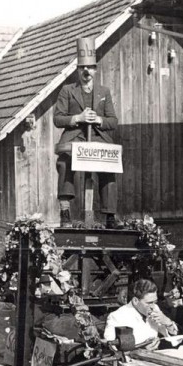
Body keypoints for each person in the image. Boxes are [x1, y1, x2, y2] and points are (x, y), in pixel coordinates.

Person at [54, 37, 118, 227]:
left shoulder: (104, 92)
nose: (86, 71)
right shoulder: (67, 90)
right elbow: (58, 118)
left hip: (98, 138)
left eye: (90, 67)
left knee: (110, 166)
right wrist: (78, 118)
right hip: (74, 137)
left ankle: (110, 216)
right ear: (78, 70)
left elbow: (113, 121)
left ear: (95, 70)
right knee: (64, 162)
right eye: (83, 67)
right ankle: (65, 212)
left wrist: (98, 119)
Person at [103, 279, 178, 351]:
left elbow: (173, 334)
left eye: (155, 302)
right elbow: (112, 347)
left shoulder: (155, 308)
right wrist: (140, 349)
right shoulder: (117, 316)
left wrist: (168, 322)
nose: (153, 306)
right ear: (135, 301)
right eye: (149, 303)